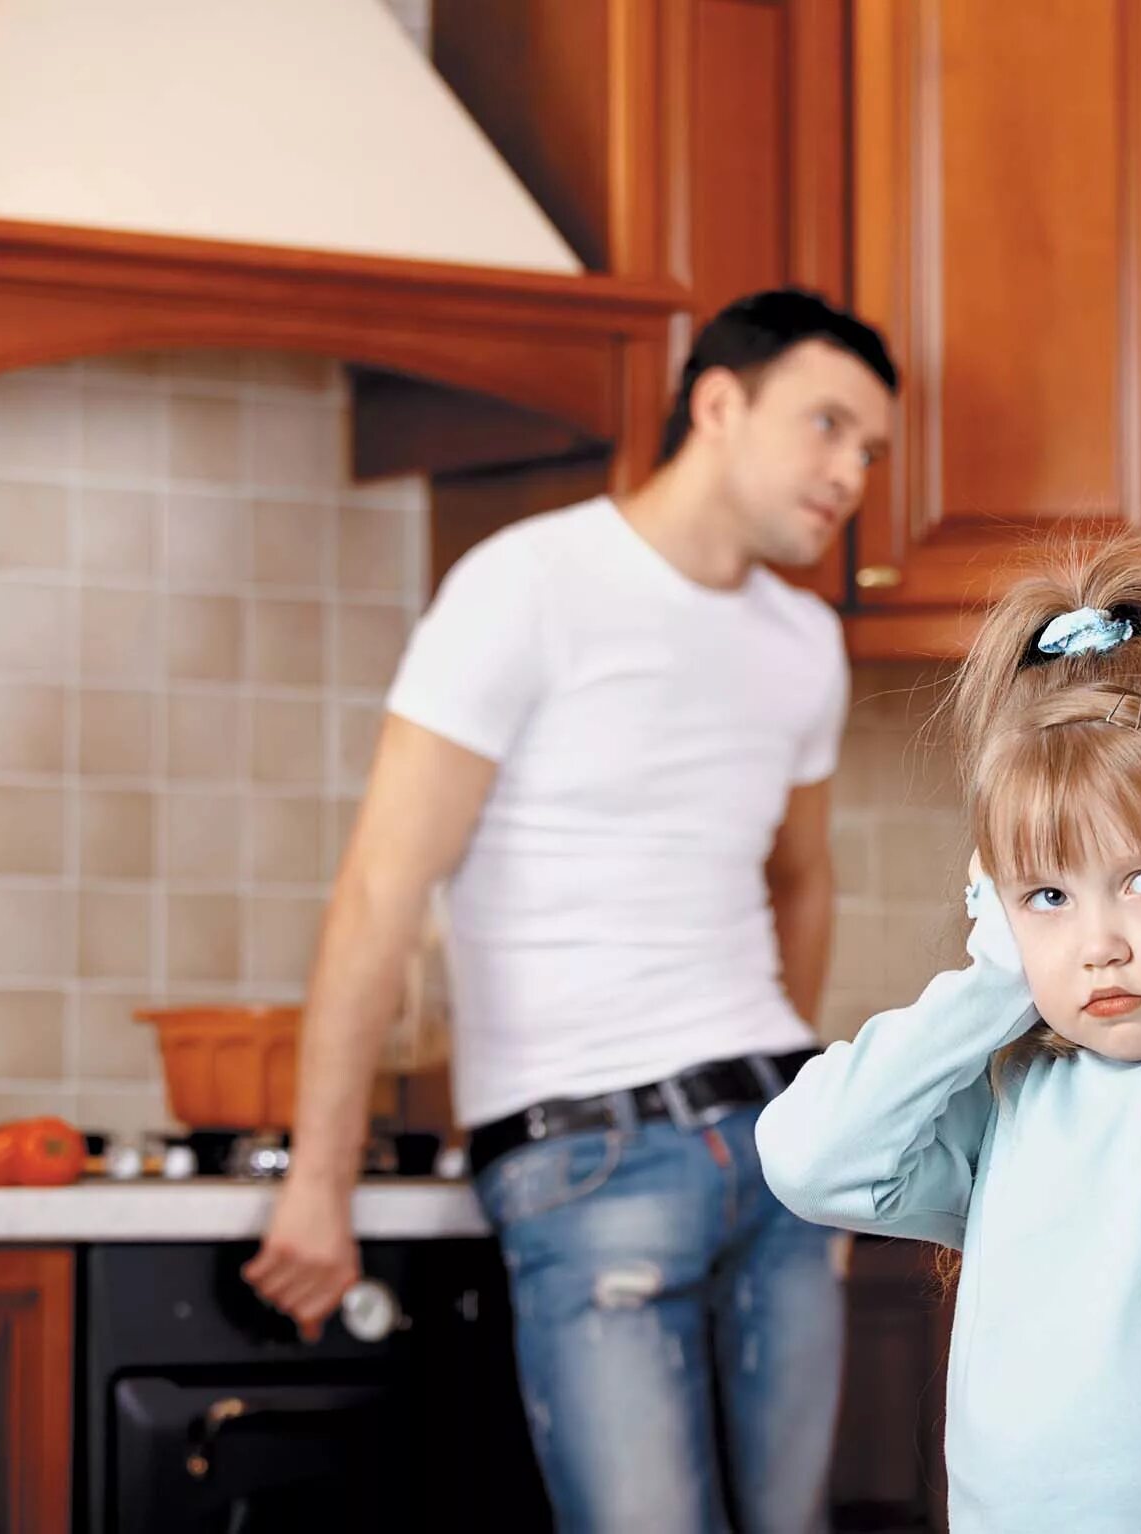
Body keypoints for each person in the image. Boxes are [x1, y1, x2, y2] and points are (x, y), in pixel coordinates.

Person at [245, 288, 898, 1534]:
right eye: (827, 426)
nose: (851, 472)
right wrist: (317, 1180)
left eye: (870, 451)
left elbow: (801, 876)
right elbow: (382, 889)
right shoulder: (525, 585)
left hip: (776, 1143)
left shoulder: (806, 642)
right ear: (718, 403)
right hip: (589, 1162)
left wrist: (798, 1111)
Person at [755, 540, 1141, 1531]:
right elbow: (807, 1155)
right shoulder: (1007, 1106)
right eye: (1046, 895)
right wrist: (996, 975)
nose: (1095, 944)